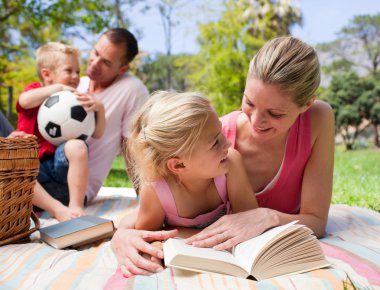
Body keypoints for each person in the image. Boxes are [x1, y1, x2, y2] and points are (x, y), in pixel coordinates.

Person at [111, 36, 335, 276]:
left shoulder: (317, 119)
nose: (256, 121)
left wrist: (265, 216)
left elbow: (316, 222)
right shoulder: (211, 140)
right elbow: (158, 201)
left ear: (306, 104)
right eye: (249, 102)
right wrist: (121, 235)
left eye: (275, 113)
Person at [16, 42, 106, 220]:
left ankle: (76, 207)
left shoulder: (77, 99)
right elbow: (24, 101)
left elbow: (97, 133)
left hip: (63, 179)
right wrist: (56, 89)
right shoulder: (35, 90)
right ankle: (56, 209)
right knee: (17, 166)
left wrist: (99, 109)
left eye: (78, 71)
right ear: (47, 74)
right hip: (33, 182)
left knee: (78, 146)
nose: (75, 76)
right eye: (69, 70)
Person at [76, 27, 149, 202]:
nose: (94, 63)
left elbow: (131, 147)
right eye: (95, 53)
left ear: (123, 68)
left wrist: (145, 200)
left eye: (106, 62)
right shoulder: (77, 82)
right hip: (43, 170)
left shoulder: (132, 89)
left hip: (74, 190)